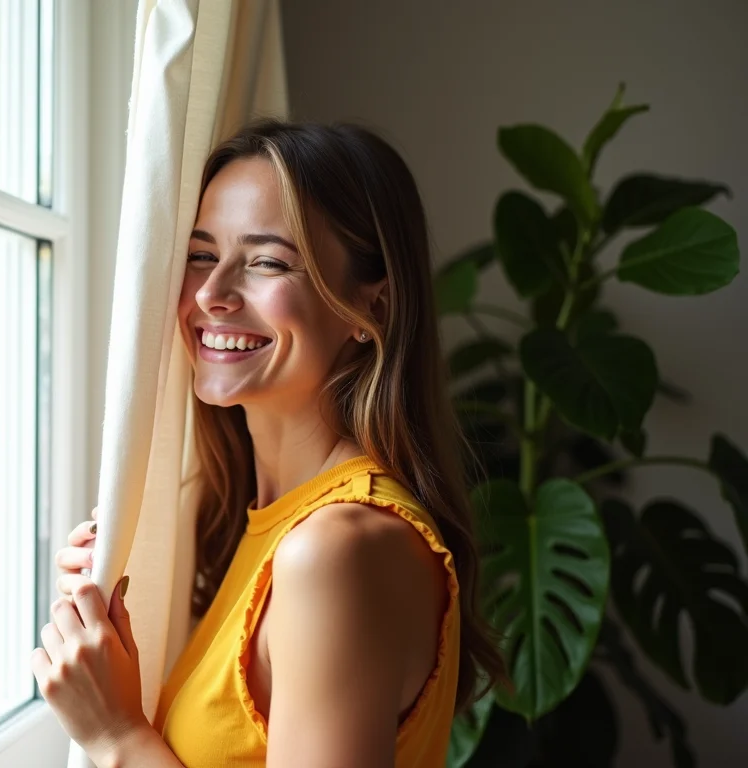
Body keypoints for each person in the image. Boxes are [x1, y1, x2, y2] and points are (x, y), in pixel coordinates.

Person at [30, 119, 504, 768]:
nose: (211, 294)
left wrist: (116, 735)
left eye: (267, 262)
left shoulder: (336, 550)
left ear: (373, 309)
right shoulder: (269, 526)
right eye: (201, 255)